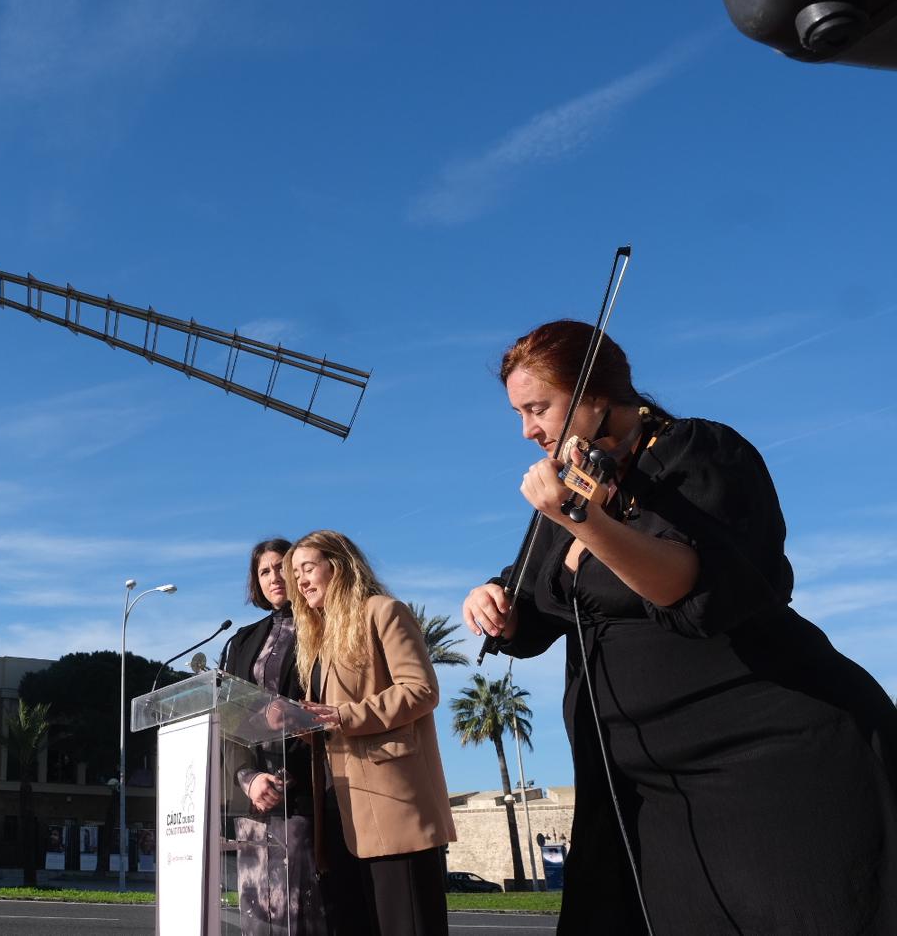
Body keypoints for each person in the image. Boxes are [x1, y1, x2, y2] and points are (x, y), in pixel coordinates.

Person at [461, 319, 897, 935]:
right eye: (519, 412)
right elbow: (533, 604)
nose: (528, 429)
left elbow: (686, 588)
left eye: (539, 408)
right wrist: (493, 601)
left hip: (764, 763)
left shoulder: (697, 454)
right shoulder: (572, 489)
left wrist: (581, 518)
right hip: (639, 787)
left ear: (598, 392)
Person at [290, 530, 456, 936]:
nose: (301, 581)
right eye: (295, 575)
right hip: (340, 814)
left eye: (307, 568)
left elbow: (420, 690)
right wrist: (296, 724)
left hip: (393, 805)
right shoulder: (320, 639)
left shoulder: (383, 611)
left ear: (339, 565)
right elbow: (327, 720)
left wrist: (341, 716)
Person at [222, 537, 326, 936]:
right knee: (258, 915)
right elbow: (229, 716)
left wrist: (283, 777)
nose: (274, 576)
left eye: (282, 566)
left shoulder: (323, 624)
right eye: (264, 571)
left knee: (299, 911)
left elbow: (325, 705)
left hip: (301, 791)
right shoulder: (242, 639)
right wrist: (248, 779)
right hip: (254, 799)